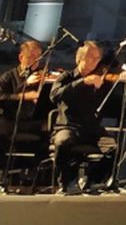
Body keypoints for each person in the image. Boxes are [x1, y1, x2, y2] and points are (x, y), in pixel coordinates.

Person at [48, 40, 115, 193]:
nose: (95, 61)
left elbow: (109, 104)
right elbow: (54, 95)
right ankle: (65, 182)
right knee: (63, 142)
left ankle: (91, 180)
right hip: (68, 126)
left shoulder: (99, 80)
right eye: (91, 57)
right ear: (80, 58)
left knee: (112, 147)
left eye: (98, 58)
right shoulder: (67, 76)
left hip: (91, 129)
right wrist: (82, 82)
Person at [0, 39, 45, 148]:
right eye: (31, 57)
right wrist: (24, 93)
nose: (36, 61)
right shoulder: (9, 76)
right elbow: (1, 96)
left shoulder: (43, 75)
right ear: (21, 58)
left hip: (35, 121)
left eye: (38, 57)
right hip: (13, 121)